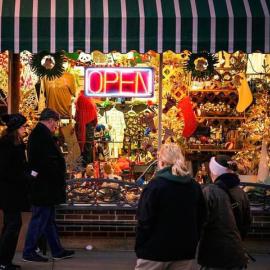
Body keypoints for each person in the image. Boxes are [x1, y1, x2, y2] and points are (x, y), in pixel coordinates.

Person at [135, 143, 207, 270]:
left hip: (154, 252)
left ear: (161, 162)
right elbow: (201, 218)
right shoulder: (194, 187)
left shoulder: (155, 186)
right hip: (184, 251)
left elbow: (144, 220)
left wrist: (140, 246)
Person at [22, 108, 74, 262]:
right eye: (55, 123)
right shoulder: (41, 135)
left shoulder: (40, 134)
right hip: (44, 186)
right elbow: (44, 161)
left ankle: (57, 250)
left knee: (48, 219)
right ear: (51, 120)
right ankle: (29, 250)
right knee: (40, 218)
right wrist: (56, 173)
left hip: (45, 185)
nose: (56, 126)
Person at [198, 155, 251, 270]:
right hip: (237, 253)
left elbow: (200, 223)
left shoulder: (209, 192)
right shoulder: (241, 193)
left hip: (214, 255)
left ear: (214, 172)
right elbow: (247, 223)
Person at [0, 114, 29, 270]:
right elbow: (6, 170)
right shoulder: (8, 145)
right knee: (13, 224)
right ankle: (4, 261)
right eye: (23, 126)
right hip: (10, 192)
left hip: (13, 191)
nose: (25, 129)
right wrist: (24, 175)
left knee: (11, 225)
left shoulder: (16, 144)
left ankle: (5, 260)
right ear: (16, 129)